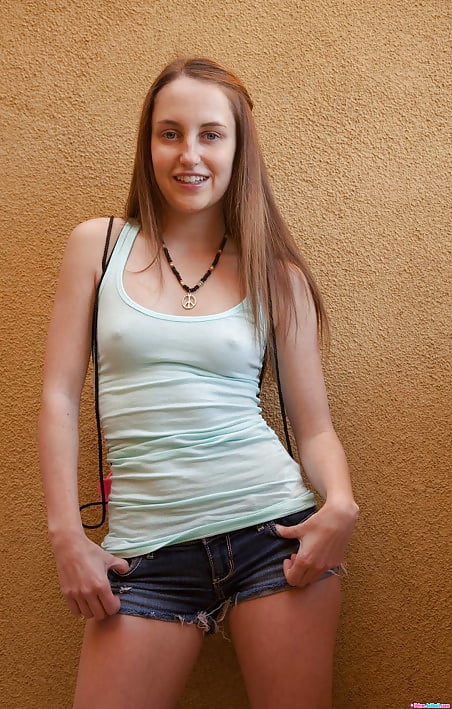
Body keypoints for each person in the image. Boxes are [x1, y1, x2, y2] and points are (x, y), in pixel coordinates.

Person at [38, 56, 359, 709]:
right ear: (148, 144)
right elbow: (58, 396)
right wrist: (66, 535)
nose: (190, 154)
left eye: (211, 134)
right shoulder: (99, 247)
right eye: (170, 133)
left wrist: (341, 504)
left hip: (273, 535)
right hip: (144, 554)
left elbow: (315, 425)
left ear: (239, 149)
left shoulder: (276, 275)